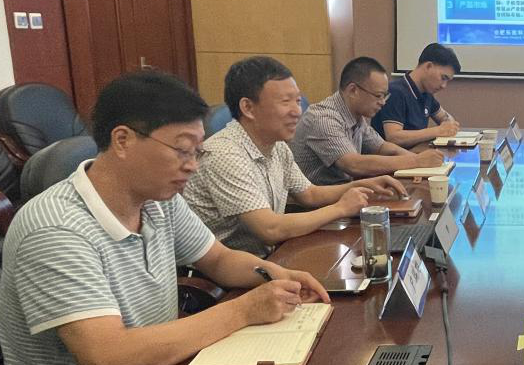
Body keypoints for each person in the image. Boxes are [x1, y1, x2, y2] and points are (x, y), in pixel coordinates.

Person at [0, 71, 329, 365]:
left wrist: (275, 273)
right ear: (123, 140)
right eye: (182, 150)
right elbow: (107, 360)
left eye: (197, 152)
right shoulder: (55, 228)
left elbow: (218, 260)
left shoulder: (157, 199)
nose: (193, 165)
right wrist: (243, 311)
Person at [185, 56, 409, 256]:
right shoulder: (225, 154)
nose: (297, 111)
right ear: (248, 108)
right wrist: (340, 208)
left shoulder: (277, 146)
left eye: (297, 101)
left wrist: (363, 185)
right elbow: (270, 229)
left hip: (266, 256)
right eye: (286, 102)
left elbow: (309, 194)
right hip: (223, 276)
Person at [291, 57, 443, 186]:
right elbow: (354, 164)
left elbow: (382, 147)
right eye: (378, 96)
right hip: (314, 205)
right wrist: (416, 161)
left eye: (385, 96)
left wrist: (418, 161)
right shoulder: (324, 119)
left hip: (342, 193)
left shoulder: (356, 115)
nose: (383, 102)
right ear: (353, 90)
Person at [372, 43, 462, 148]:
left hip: (415, 153)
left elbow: (445, 118)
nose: (444, 86)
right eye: (443, 78)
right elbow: (394, 137)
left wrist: (448, 124)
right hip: (392, 156)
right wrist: (438, 131)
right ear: (428, 66)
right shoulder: (396, 92)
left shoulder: (426, 92)